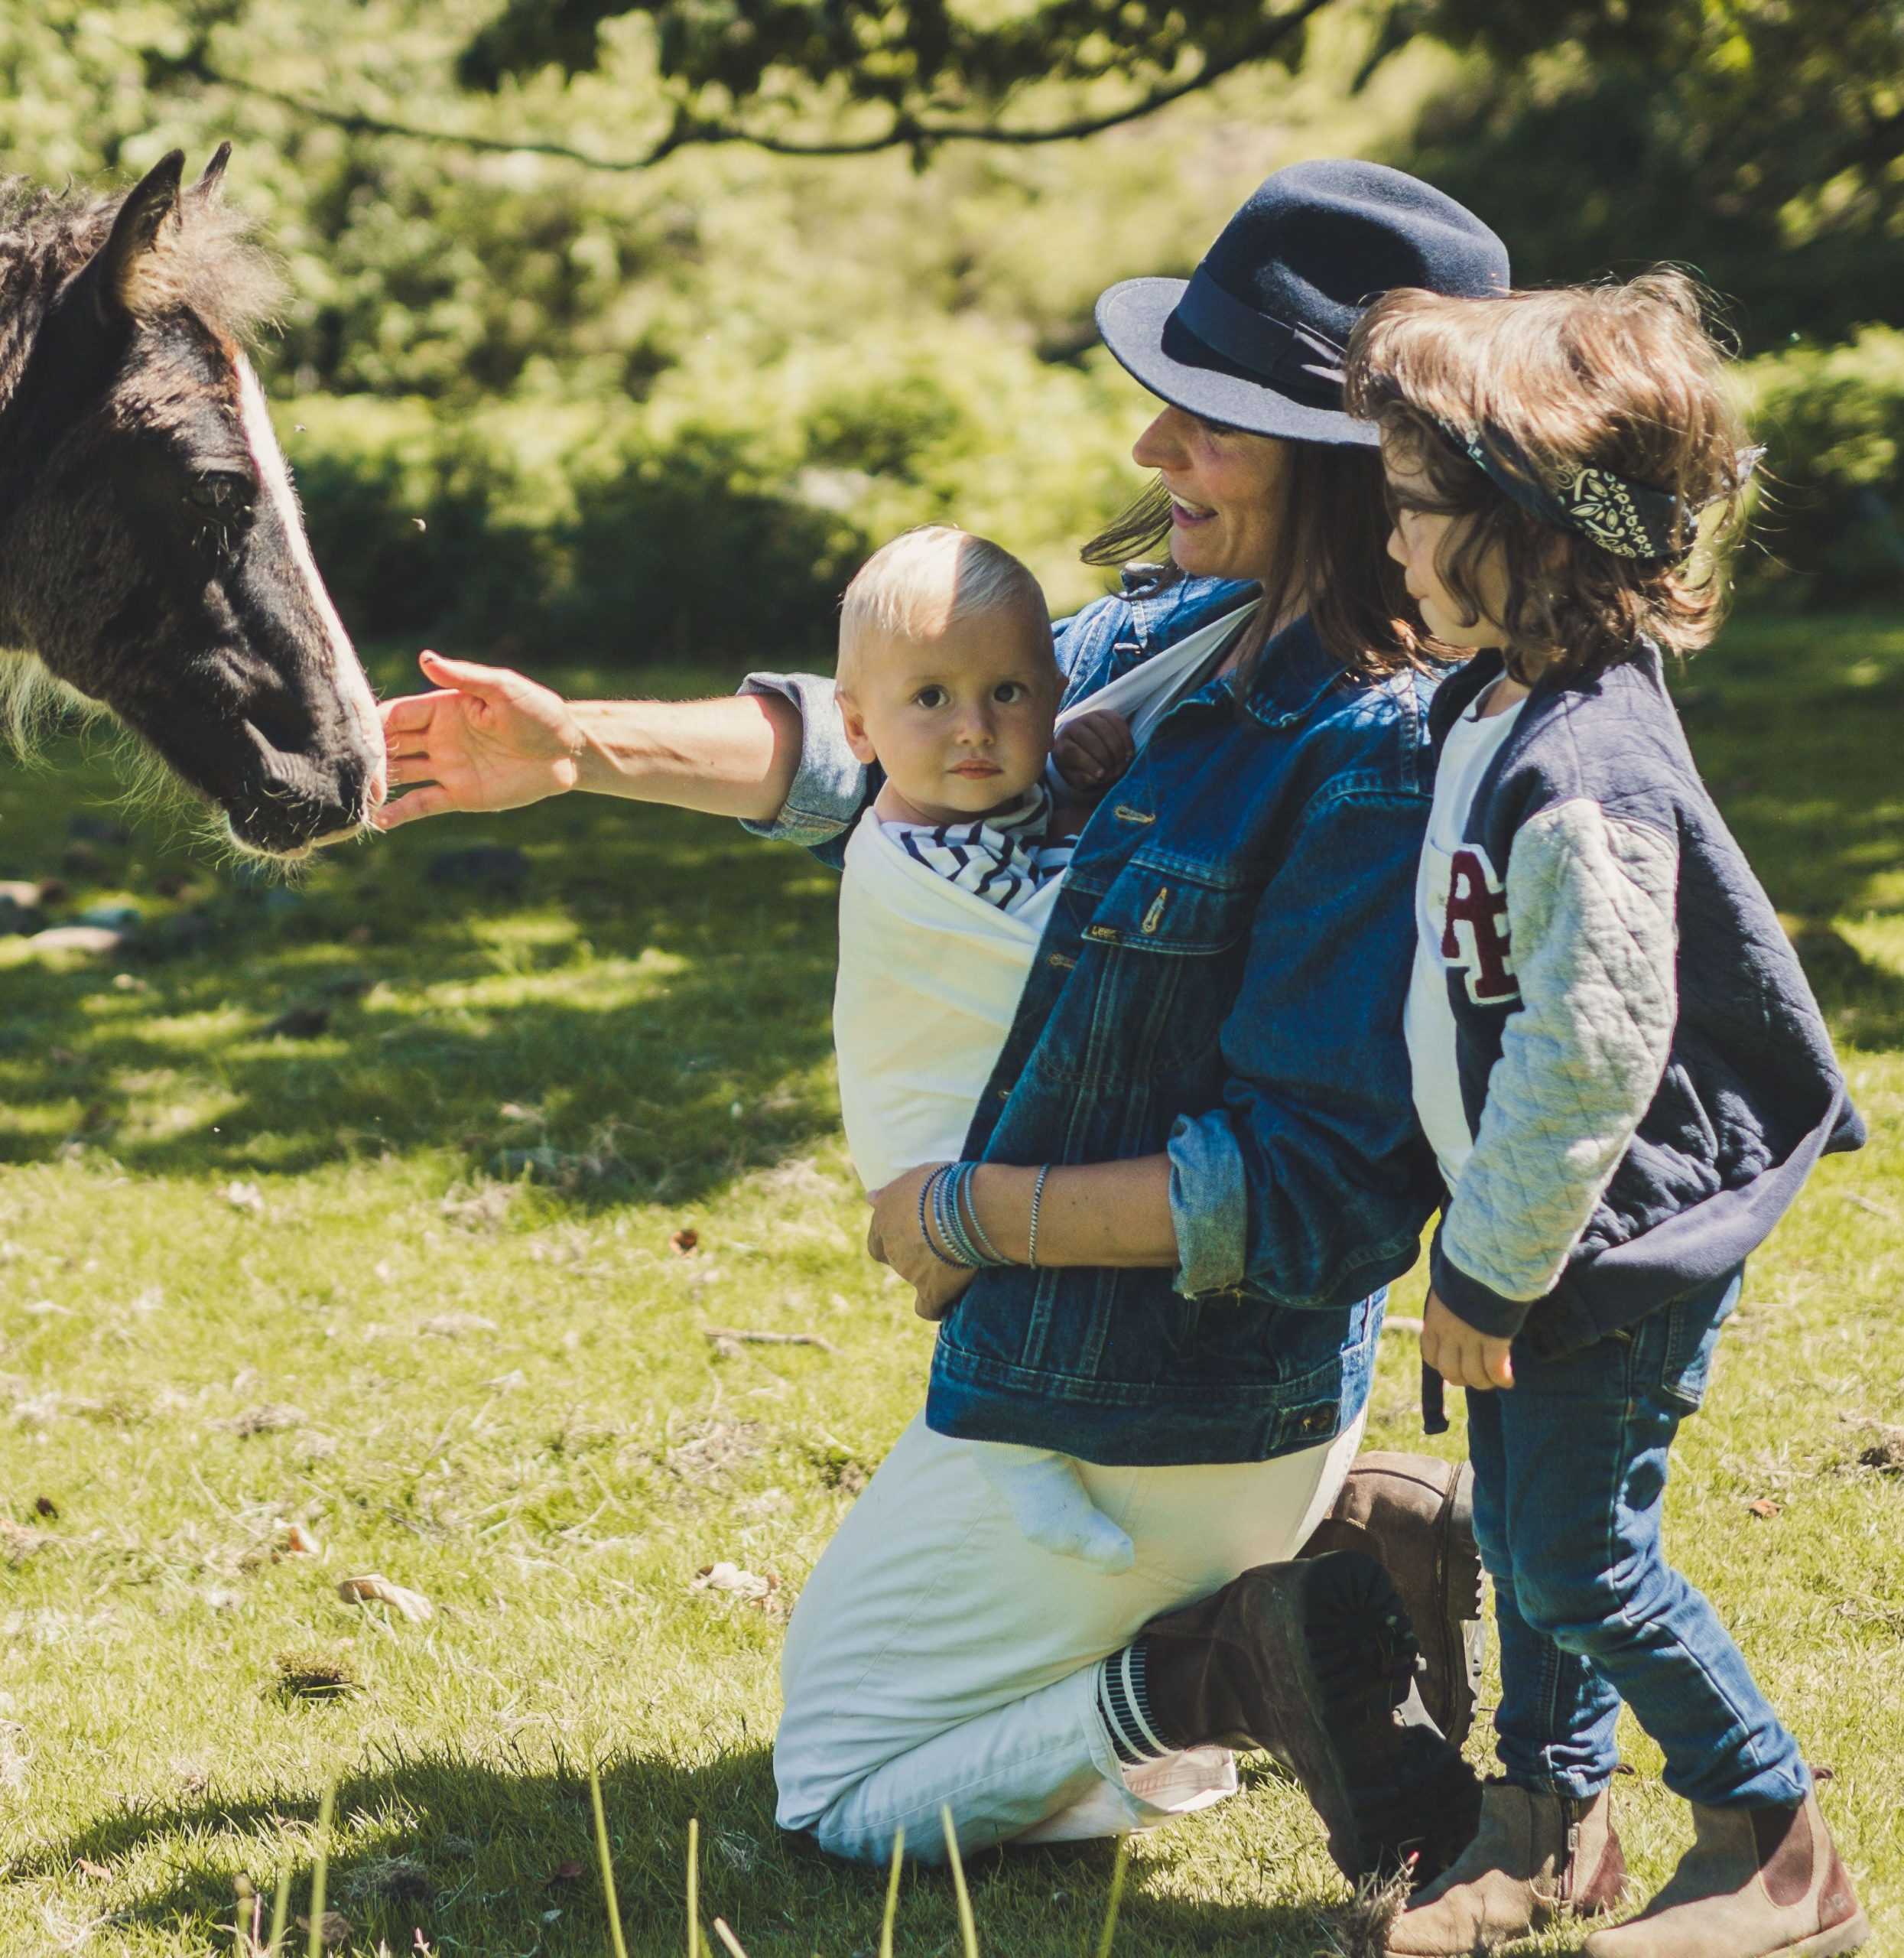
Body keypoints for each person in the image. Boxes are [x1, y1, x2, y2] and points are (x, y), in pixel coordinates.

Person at [378, 159, 1508, 1882]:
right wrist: (577, 748)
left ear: (1348, 458)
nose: (1152, 454)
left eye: (1205, 422)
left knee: (842, 1776)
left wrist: (969, 1211)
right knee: (907, 1716)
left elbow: (1316, 1188)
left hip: (1160, 1400)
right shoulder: (1180, 629)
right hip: (1117, 1386)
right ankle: (1364, 1542)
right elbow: (910, 755)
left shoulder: (1366, 750)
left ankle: (1219, 1656)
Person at [1344, 273, 1869, 1958]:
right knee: (1522, 1521)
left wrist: (1485, 1270)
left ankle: (1773, 1842)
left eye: (1417, 507)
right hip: (1539, 1219)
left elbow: (1595, 1050)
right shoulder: (1497, 700)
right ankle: (1546, 1824)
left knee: (1576, 1547)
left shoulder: (1588, 772)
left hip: (1612, 1230)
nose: (1395, 542)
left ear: (1532, 524)